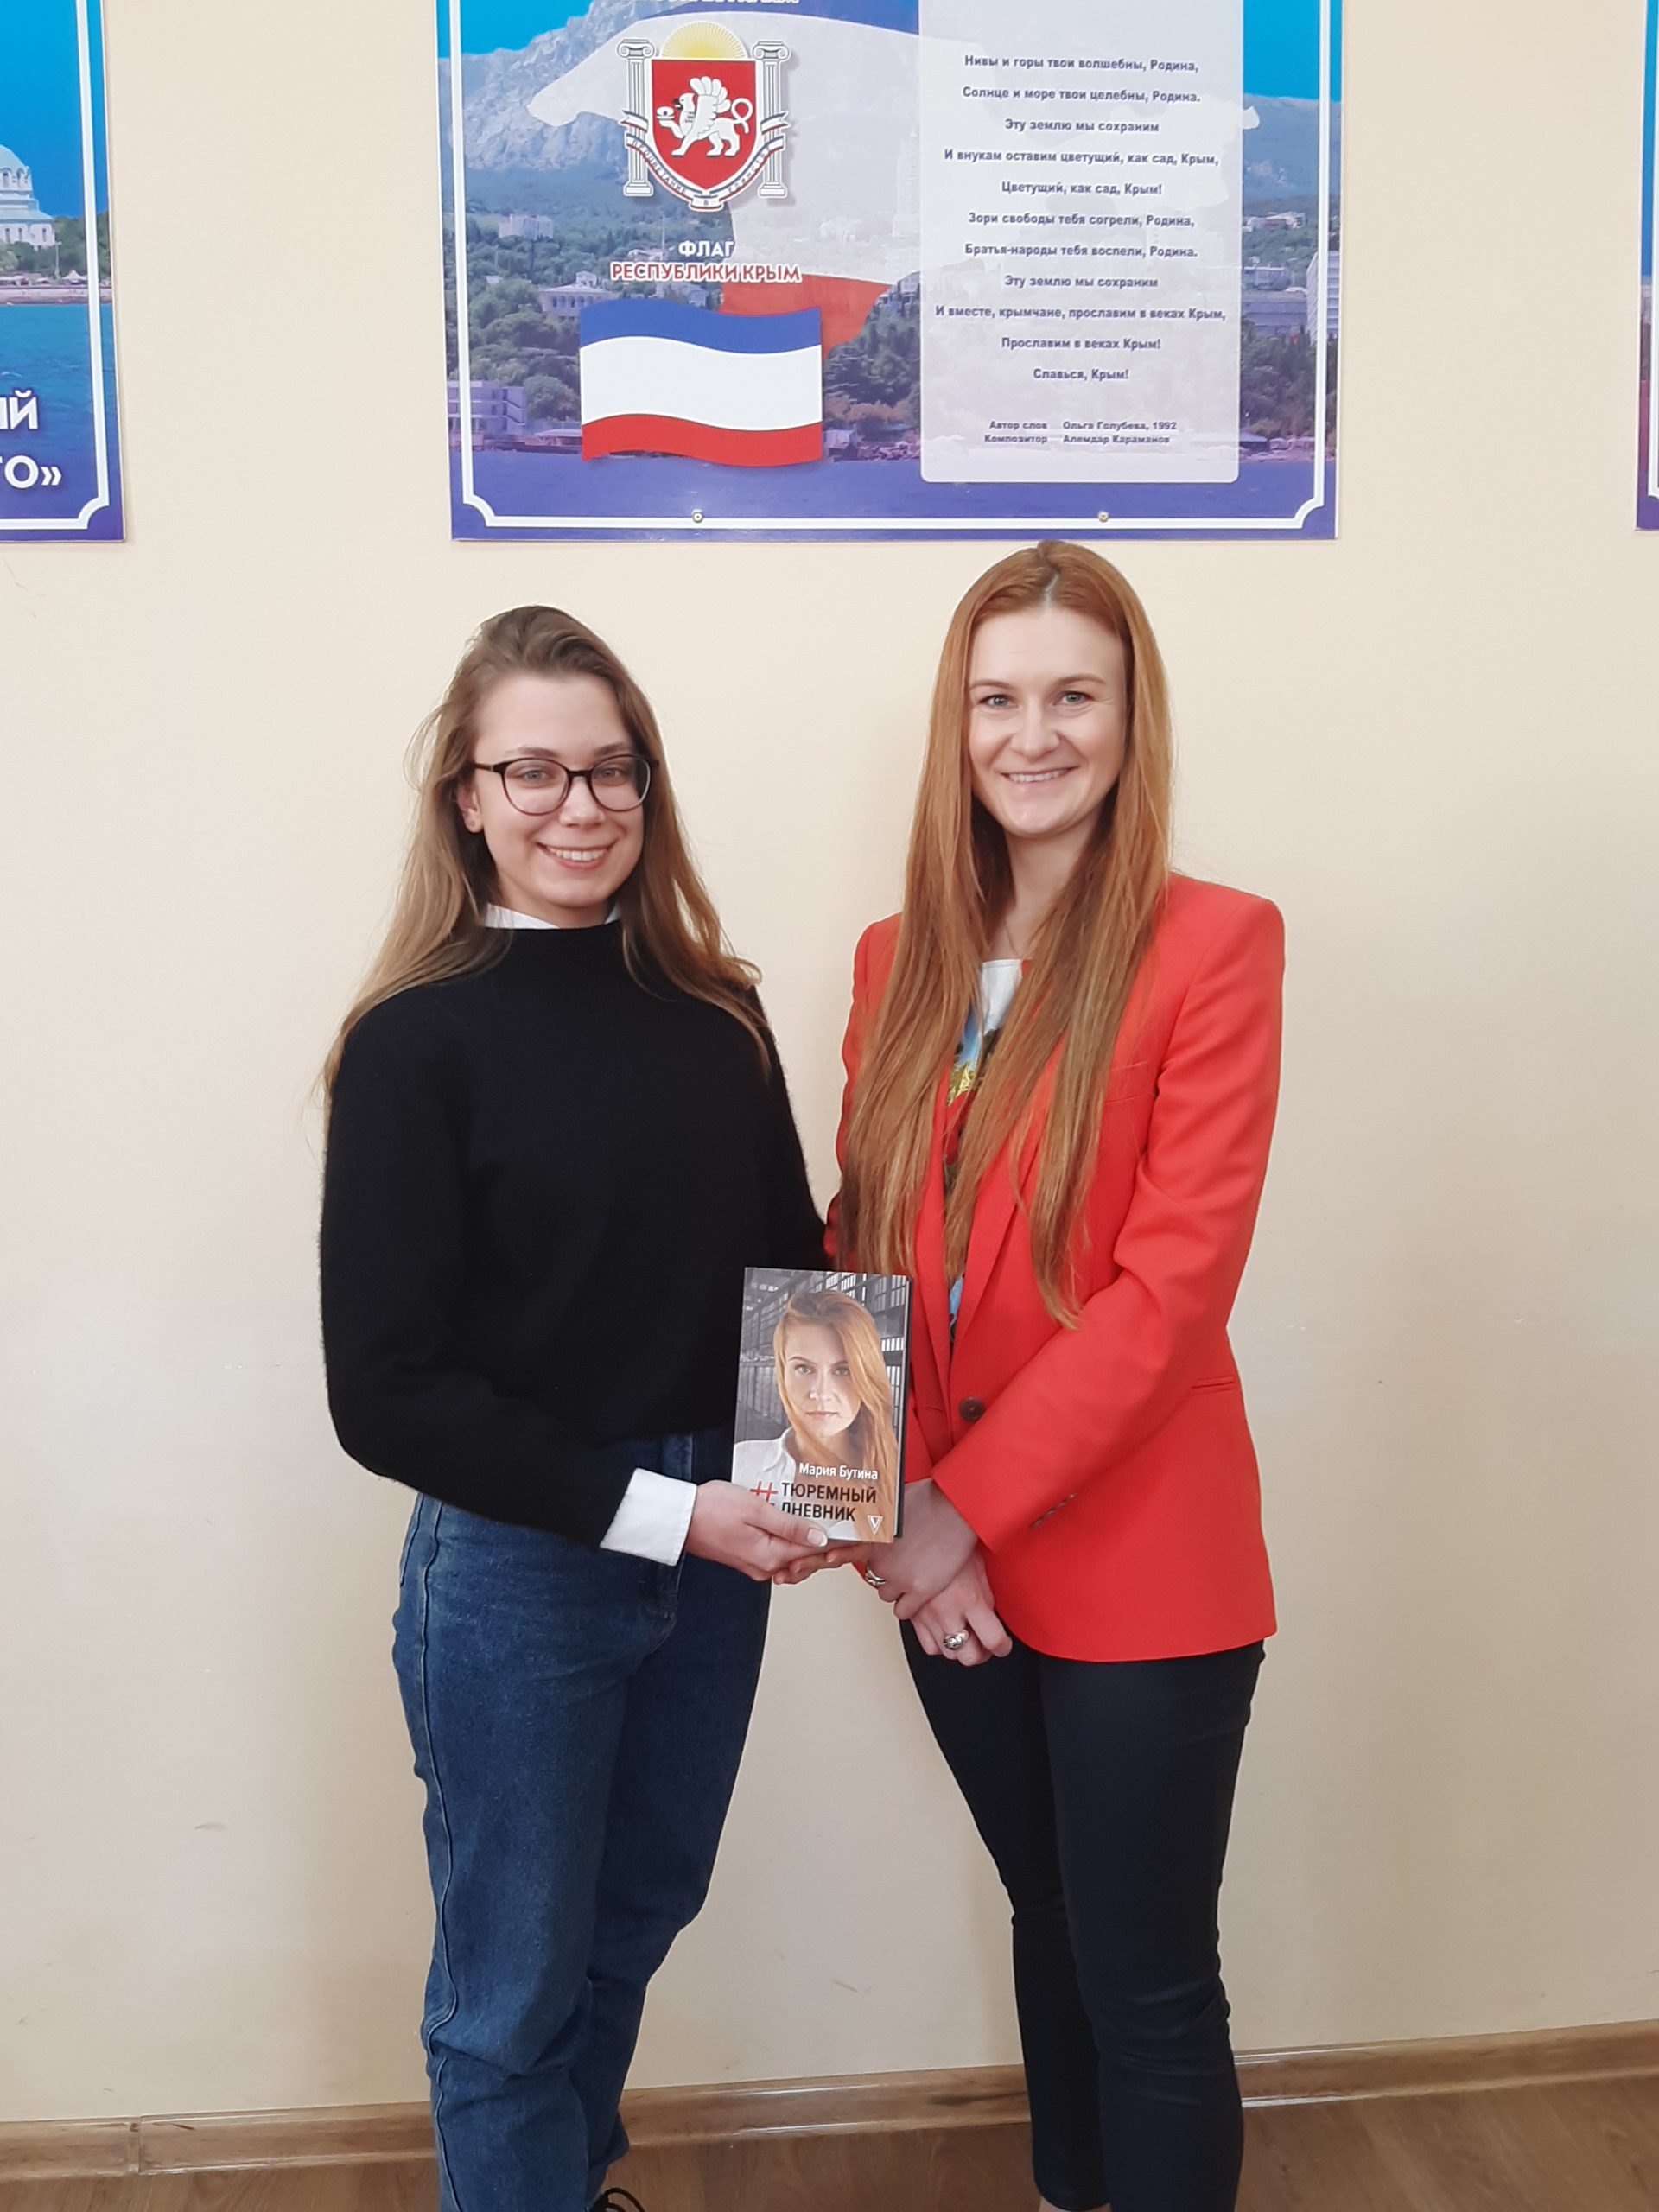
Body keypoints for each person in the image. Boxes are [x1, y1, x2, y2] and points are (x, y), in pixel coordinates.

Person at [319, 605, 829, 2212]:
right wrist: (680, 1518)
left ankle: (566, 2181)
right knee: (510, 1991)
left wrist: (834, 1491)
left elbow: (794, 1274)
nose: (579, 806)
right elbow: (384, 1393)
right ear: (466, 796)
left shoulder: (718, 1012)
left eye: (612, 770)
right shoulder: (413, 1043)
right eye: (532, 771)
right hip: (525, 1566)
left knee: (632, 1923)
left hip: (720, 1552)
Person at [819, 541, 1284, 2212]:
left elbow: (1170, 1295)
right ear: (955, 729)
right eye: (996, 699)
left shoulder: (1215, 944)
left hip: (1141, 1553)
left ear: (1131, 718)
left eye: (1074, 695)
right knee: (1050, 1915)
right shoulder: (895, 958)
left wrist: (956, 1511)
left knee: (1148, 1982)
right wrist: (871, 1514)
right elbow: (855, 1242)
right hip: (941, 1554)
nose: (1034, 735)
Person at [732, 1285, 902, 1543]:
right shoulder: (743, 1462)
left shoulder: (900, 1476)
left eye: (843, 1370)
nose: (820, 1393)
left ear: (868, 1375)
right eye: (804, 1369)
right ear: (782, 1373)